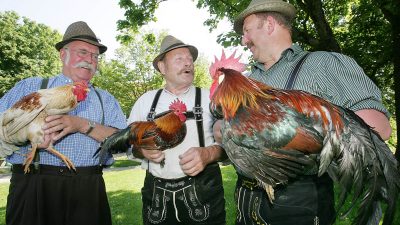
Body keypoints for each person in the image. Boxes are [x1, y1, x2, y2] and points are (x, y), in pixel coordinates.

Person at [214, 0, 392, 224]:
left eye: (247, 31)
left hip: (300, 203)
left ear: (269, 24)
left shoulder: (324, 64)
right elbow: (226, 134)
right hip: (246, 200)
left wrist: (313, 130)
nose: (243, 40)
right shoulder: (248, 81)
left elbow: (380, 128)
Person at [1, 21, 126, 225]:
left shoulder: (106, 99)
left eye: (95, 56)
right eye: (83, 52)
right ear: (63, 54)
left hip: (88, 187)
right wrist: (27, 138)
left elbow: (123, 141)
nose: (89, 60)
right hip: (33, 184)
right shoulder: (30, 86)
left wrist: (82, 124)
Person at [127, 35, 226, 225]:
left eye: (190, 59)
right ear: (162, 68)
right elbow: (129, 147)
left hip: (203, 193)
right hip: (157, 196)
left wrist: (209, 154)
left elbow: (232, 146)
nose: (188, 63)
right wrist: (142, 150)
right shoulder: (145, 101)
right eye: (179, 59)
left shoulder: (211, 98)